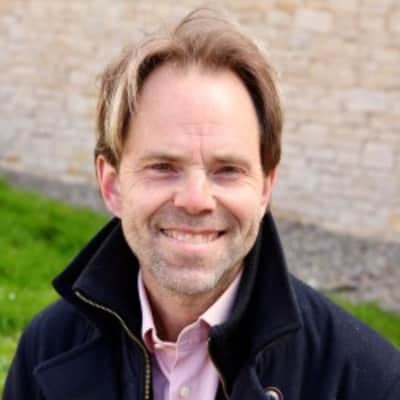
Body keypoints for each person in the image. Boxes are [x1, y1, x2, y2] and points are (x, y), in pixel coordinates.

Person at [4, 8, 400, 400]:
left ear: (265, 188)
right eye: (163, 167)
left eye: (227, 170)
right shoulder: (46, 349)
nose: (195, 200)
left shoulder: (370, 382)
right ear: (112, 186)